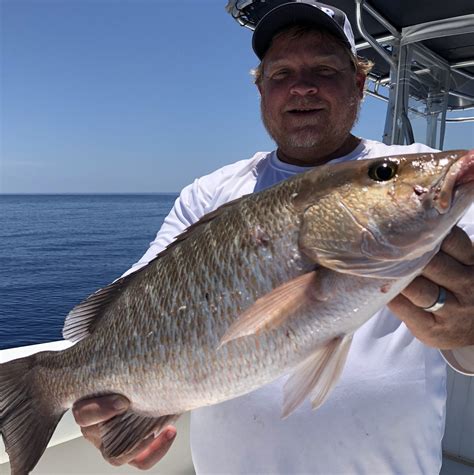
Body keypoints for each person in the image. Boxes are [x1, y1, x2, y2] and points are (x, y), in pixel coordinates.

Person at [72, 1, 474, 472]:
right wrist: (116, 415)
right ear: (261, 90)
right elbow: (139, 321)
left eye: (324, 68)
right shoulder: (210, 194)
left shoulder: (426, 177)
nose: (302, 86)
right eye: (281, 73)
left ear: (359, 84)